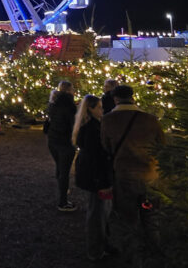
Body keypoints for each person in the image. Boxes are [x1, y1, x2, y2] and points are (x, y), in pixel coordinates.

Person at [101, 85, 165, 267]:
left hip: (124, 176)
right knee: (152, 217)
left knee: (127, 219)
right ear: (133, 97)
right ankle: (154, 253)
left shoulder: (108, 120)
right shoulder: (151, 120)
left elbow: (105, 146)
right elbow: (162, 145)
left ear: (115, 99)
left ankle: (131, 257)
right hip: (149, 174)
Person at [73, 94, 114, 261]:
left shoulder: (87, 126)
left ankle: (101, 245)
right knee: (97, 214)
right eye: (99, 107)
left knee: (100, 211)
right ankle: (95, 250)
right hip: (96, 177)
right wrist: (102, 181)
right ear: (90, 109)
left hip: (92, 175)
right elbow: (96, 158)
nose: (102, 110)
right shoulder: (93, 129)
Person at [46, 80, 78, 212]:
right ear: (69, 90)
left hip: (53, 140)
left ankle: (62, 190)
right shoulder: (69, 105)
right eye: (73, 89)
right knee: (65, 171)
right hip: (65, 141)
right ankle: (63, 202)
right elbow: (72, 124)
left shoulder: (53, 102)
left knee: (60, 167)